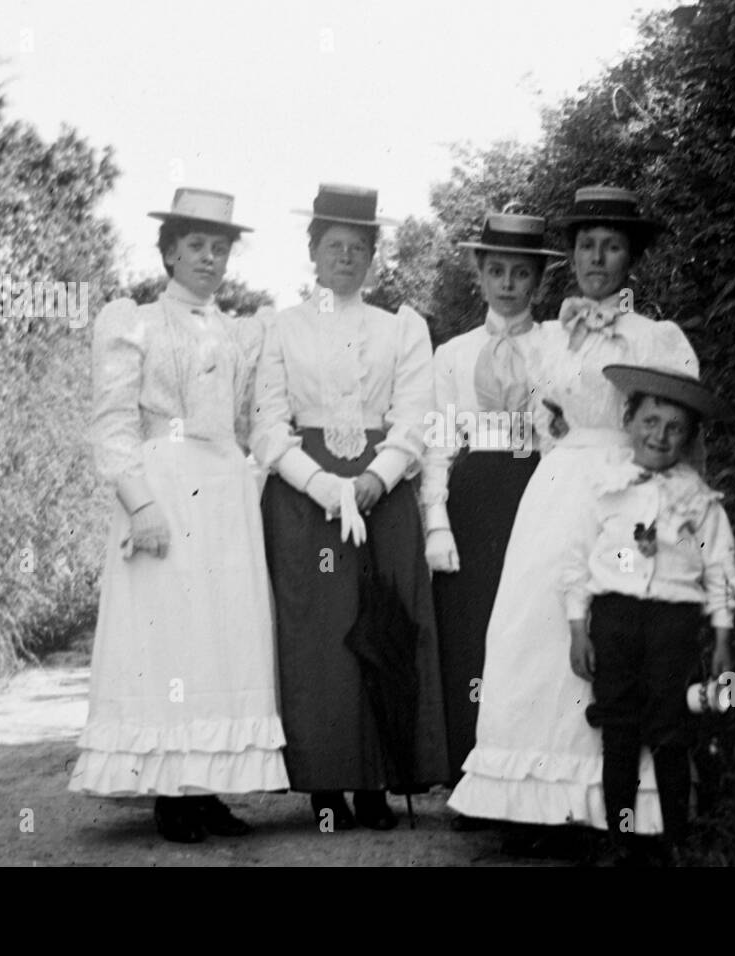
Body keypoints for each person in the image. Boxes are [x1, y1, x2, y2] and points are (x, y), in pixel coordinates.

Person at [448, 186, 702, 849]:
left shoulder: (656, 337)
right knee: (533, 634)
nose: (597, 258)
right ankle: (532, 807)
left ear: (631, 258)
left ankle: (606, 809)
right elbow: (538, 412)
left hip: (625, 492)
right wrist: (549, 417)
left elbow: (675, 426)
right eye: (586, 245)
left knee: (615, 639)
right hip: (557, 487)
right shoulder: (549, 337)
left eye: (611, 246)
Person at [70, 188, 289, 843]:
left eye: (220, 249)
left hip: (223, 489)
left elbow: (254, 415)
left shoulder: (235, 330)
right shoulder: (132, 321)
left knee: (220, 638)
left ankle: (207, 786)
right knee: (168, 640)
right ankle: (169, 791)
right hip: (164, 480)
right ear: (168, 251)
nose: (209, 259)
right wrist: (139, 504)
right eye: (196, 246)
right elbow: (111, 425)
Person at [253, 183, 449, 831]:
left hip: (382, 497)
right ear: (312, 252)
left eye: (359, 247)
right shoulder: (281, 327)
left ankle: (378, 782)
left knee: (384, 631)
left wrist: (376, 477)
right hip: (306, 503)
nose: (346, 257)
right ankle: (327, 784)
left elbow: (416, 415)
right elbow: (268, 429)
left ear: (374, 257)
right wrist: (324, 486)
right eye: (334, 246)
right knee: (319, 641)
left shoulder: (400, 329)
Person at [563, 363, 735, 865]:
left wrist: (723, 635)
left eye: (674, 428)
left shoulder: (699, 502)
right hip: (614, 618)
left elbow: (718, 564)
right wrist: (580, 628)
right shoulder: (606, 489)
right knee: (618, 729)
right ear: (629, 420)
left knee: (670, 727)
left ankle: (677, 841)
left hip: (673, 621)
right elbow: (578, 561)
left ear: (688, 438)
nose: (660, 436)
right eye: (650, 422)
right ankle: (618, 841)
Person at [421, 211, 565, 803]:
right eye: (497, 270)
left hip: (536, 488)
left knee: (531, 634)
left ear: (539, 282)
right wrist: (436, 519)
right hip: (473, 494)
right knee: (472, 632)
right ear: (479, 274)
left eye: (521, 273)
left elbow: (567, 427)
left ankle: (528, 782)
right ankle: (469, 780)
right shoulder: (453, 354)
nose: (508, 283)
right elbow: (437, 441)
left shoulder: (556, 344)